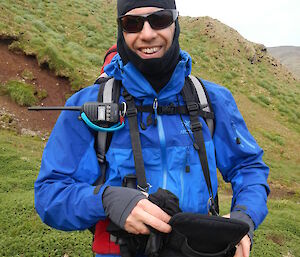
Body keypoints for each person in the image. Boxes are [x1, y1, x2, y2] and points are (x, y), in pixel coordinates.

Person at [34, 0, 270, 257]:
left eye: (159, 20)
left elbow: (248, 168)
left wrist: (244, 217)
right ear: (121, 31)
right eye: (132, 23)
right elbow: (50, 194)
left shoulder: (212, 100)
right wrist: (106, 199)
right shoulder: (88, 105)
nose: (147, 34)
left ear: (175, 23)